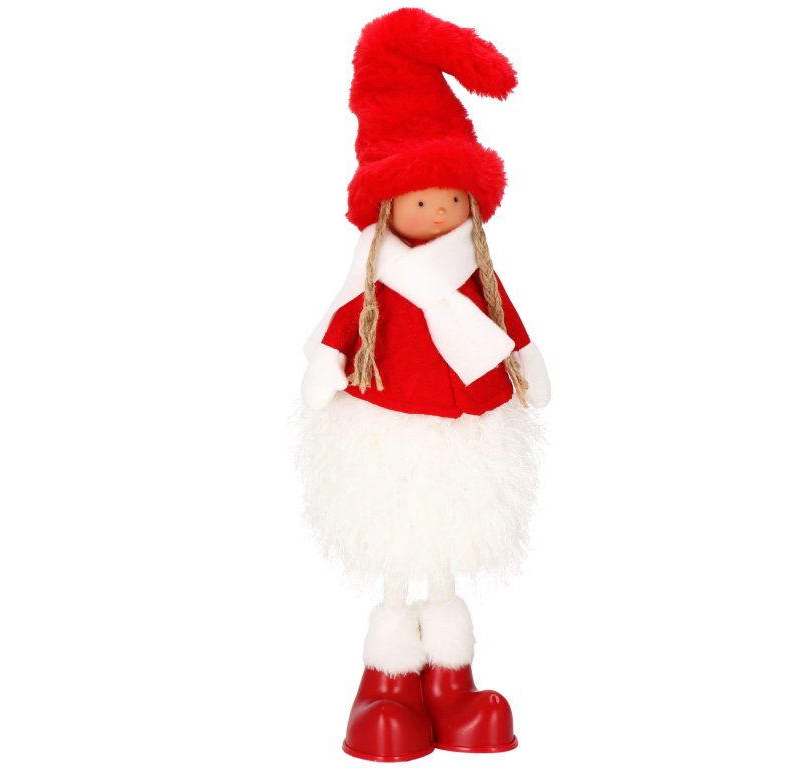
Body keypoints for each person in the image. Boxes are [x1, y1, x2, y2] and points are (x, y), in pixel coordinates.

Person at [295, 9, 550, 761]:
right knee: (396, 547)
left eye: (452, 196)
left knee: (449, 549)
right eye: (421, 196)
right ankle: (389, 683)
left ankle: (452, 683)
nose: (439, 210)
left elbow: (508, 323)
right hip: (388, 425)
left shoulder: (477, 275)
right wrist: (324, 365)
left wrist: (528, 363)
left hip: (468, 429)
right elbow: (343, 326)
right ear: (386, 205)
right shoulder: (375, 279)